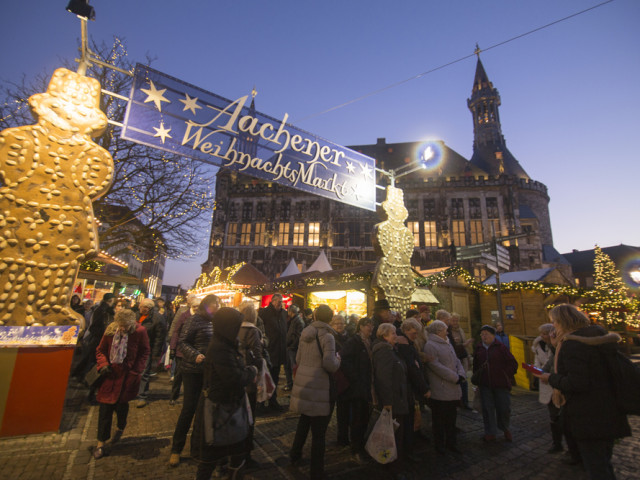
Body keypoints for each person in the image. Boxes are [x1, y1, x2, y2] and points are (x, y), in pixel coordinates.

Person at [535, 304, 631, 480]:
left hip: (589, 415)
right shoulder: (597, 336)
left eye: (555, 322)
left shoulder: (573, 346)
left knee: (597, 467)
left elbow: (577, 382)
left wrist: (550, 378)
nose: (553, 326)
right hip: (609, 409)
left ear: (563, 322)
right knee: (604, 463)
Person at [190, 307, 258, 480]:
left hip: (227, 407)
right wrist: (252, 371)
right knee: (210, 458)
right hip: (219, 409)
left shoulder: (225, 343)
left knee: (231, 455)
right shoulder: (221, 348)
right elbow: (235, 378)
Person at [289, 304, 341, 480]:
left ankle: (294, 455)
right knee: (319, 432)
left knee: (304, 421)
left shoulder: (306, 333)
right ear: (330, 318)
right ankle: (316, 471)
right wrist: (338, 360)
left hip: (305, 383)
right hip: (320, 387)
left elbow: (298, 359)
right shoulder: (328, 336)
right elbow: (329, 364)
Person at [92, 309, 150, 459]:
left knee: (121, 406)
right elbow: (100, 350)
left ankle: (120, 427)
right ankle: (101, 443)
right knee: (105, 411)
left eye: (126, 326)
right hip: (110, 375)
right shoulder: (111, 330)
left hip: (127, 376)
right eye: (121, 325)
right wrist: (103, 364)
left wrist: (136, 370)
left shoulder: (140, 331)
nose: (123, 328)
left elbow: (144, 351)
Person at [169, 294, 218, 467]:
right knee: (189, 408)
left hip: (208, 370)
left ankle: (198, 446)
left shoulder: (214, 321)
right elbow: (183, 341)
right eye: (214, 306)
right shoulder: (193, 320)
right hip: (191, 370)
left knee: (205, 409)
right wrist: (195, 355)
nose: (216, 308)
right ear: (207, 306)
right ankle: (176, 448)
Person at [372, 322, 411, 480]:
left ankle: (393, 464)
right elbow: (384, 379)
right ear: (384, 336)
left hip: (398, 398)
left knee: (395, 434)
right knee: (393, 436)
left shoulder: (392, 350)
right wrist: (388, 402)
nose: (396, 336)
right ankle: (392, 467)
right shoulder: (384, 352)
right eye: (393, 333)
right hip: (393, 401)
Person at [423, 320, 465, 453]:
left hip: (452, 387)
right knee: (439, 420)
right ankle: (440, 445)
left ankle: (451, 443)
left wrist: (461, 373)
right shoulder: (430, 345)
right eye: (444, 330)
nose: (447, 332)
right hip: (441, 389)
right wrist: (454, 377)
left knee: (451, 418)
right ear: (437, 331)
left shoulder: (447, 342)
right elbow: (435, 365)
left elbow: (456, 360)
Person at [472, 324, 518, 442]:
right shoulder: (479, 348)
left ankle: (505, 428)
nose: (484, 336)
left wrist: (505, 375)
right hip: (485, 384)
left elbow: (512, 363)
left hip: (500, 384)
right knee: (487, 409)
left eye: (486, 334)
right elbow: (476, 366)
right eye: (482, 334)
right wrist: (477, 380)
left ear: (493, 335)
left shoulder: (500, 347)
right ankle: (490, 432)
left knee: (504, 408)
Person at [340, 316, 374, 464]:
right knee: (358, 417)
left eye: (371, 325)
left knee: (365, 416)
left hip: (367, 385)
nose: (370, 328)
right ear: (361, 327)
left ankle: (361, 442)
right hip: (358, 386)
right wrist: (355, 377)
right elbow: (344, 359)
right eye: (368, 325)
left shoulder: (370, 342)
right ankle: (356, 447)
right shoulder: (354, 341)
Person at [397, 317, 430, 461]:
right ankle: (406, 452)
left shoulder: (407, 343)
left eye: (417, 333)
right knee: (407, 420)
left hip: (409, 389)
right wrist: (424, 388)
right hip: (407, 389)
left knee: (410, 419)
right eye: (413, 333)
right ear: (405, 331)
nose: (415, 336)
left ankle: (407, 449)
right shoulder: (404, 345)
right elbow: (412, 368)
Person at [237, 300, 265, 469]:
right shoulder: (253, 331)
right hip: (249, 378)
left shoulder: (235, 328)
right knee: (249, 416)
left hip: (236, 377)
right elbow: (257, 355)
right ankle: (246, 454)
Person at [532, 323, 565, 453]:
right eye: (542, 334)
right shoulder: (538, 345)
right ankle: (557, 443)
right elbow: (539, 362)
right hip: (546, 382)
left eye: (545, 334)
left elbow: (551, 364)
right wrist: (536, 371)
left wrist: (545, 373)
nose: (543, 336)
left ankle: (569, 445)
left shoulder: (558, 346)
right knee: (553, 415)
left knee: (564, 416)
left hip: (558, 384)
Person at [168, 295, 201, 405]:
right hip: (181, 351)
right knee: (178, 375)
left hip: (194, 350)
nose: (196, 308)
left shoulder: (202, 317)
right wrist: (172, 347)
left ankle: (189, 398)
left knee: (191, 377)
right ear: (191, 306)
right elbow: (176, 331)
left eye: (198, 306)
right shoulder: (184, 315)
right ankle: (174, 396)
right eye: (195, 306)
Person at [135, 298, 168, 408]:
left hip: (146, 348)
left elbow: (159, 337)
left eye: (141, 307)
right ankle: (133, 392)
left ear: (147, 308)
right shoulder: (136, 315)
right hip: (134, 347)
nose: (139, 308)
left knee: (144, 372)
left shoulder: (157, 319)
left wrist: (155, 353)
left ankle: (142, 396)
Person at [259, 293, 288, 411]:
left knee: (275, 378)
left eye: (281, 302)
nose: (280, 304)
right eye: (278, 301)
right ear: (273, 301)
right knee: (265, 377)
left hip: (279, 350)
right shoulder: (265, 313)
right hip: (269, 351)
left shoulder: (284, 313)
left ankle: (272, 401)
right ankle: (261, 402)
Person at [330, 313, 351, 446]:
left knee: (345, 408)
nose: (339, 326)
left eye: (341, 323)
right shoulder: (330, 338)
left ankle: (343, 436)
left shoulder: (349, 337)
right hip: (336, 376)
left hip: (347, 376)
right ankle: (340, 436)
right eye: (337, 323)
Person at [449, 312, 473, 409]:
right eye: (453, 320)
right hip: (455, 358)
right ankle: (459, 401)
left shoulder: (461, 330)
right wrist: (462, 343)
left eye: (456, 320)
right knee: (459, 380)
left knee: (464, 380)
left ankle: (464, 401)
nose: (455, 322)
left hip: (463, 357)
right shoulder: (449, 331)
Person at [284, 304, 304, 391]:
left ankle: (295, 385)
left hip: (293, 348)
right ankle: (290, 384)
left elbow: (298, 336)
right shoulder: (294, 320)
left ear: (291, 312)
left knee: (293, 367)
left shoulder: (297, 321)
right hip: (290, 347)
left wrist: (292, 345)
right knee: (288, 366)